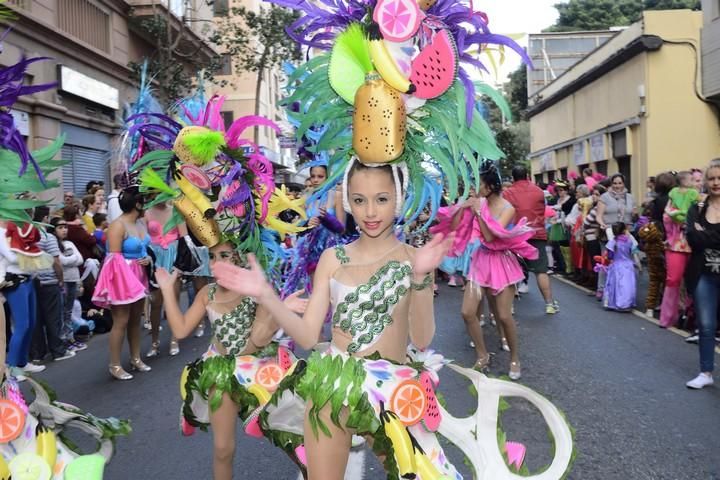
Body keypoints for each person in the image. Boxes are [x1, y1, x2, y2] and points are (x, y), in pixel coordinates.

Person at [213, 161, 462, 478]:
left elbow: (423, 338)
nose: (370, 212)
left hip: (393, 392)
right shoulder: (332, 259)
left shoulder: (414, 259)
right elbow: (307, 337)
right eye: (359, 200)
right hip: (333, 385)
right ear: (348, 202)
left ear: (398, 198)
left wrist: (421, 278)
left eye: (381, 199)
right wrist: (266, 294)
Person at [155, 241, 307, 480]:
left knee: (291, 439)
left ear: (238, 257)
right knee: (223, 449)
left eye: (225, 255)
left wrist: (278, 313)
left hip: (260, 369)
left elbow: (256, 341)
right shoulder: (207, 293)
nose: (218, 263)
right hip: (222, 373)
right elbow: (181, 329)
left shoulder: (255, 289)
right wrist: (166, 290)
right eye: (213, 257)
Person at [92, 187, 152, 380]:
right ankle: (115, 364)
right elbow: (113, 258)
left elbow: (145, 249)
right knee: (121, 321)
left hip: (139, 274)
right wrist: (129, 275)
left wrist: (147, 260)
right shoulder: (118, 225)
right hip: (121, 276)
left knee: (136, 319)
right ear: (137, 204)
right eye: (145, 201)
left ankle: (136, 358)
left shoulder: (140, 222)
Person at [504, 165, 559, 314]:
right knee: (541, 271)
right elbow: (542, 210)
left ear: (513, 177)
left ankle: (510, 307)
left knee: (512, 270)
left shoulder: (507, 193)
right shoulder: (538, 191)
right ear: (527, 175)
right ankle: (549, 304)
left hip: (516, 236)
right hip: (537, 234)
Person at [685, 160, 720, 389]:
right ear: (706, 181)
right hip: (704, 275)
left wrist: (704, 235)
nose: (716, 183)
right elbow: (692, 239)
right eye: (712, 178)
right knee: (706, 325)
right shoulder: (697, 208)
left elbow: (701, 238)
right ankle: (706, 372)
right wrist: (703, 236)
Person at [30, 207, 76, 364]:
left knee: (37, 319)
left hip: (34, 281)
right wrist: (60, 279)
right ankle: (58, 351)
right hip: (49, 281)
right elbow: (56, 262)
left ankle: (39, 353)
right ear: (45, 218)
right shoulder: (47, 236)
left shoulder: (28, 235)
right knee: (53, 318)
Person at [145, 201, 181, 357]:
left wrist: (181, 264)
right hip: (156, 259)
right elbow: (141, 238)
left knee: (173, 300)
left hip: (173, 256)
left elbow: (184, 237)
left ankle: (175, 339)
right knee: (156, 303)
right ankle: (154, 342)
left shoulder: (175, 211)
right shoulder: (146, 212)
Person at [638, 172, 676, 317]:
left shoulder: (655, 202)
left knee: (654, 277)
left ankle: (650, 307)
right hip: (671, 241)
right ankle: (666, 306)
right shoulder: (673, 201)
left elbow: (651, 220)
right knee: (668, 277)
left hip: (655, 241)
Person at [50, 216, 88, 352]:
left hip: (73, 279)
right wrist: (71, 259)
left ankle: (71, 338)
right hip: (63, 281)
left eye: (65, 227)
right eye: (60, 227)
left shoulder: (70, 244)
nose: (64, 230)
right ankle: (63, 340)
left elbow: (80, 259)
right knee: (62, 311)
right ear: (54, 230)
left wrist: (70, 259)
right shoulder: (53, 244)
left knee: (69, 311)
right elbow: (62, 262)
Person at [603, 222, 639, 312]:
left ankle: (614, 302)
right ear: (624, 230)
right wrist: (638, 264)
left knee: (616, 285)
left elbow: (610, 256)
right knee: (627, 285)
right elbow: (633, 252)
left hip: (616, 266)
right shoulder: (629, 241)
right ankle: (626, 303)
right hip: (628, 266)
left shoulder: (612, 242)